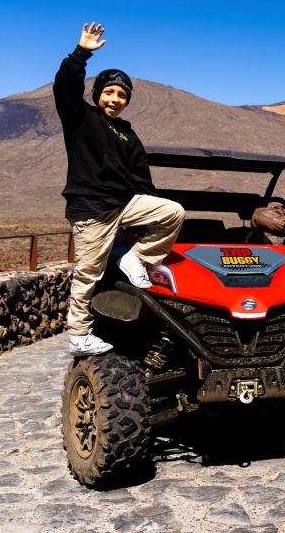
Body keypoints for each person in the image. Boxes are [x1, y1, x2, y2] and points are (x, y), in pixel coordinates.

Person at [54, 22, 185, 356]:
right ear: (98, 94)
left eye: (122, 94)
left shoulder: (128, 133)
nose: (115, 99)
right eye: (109, 92)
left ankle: (135, 257)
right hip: (92, 209)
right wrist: (82, 52)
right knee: (89, 272)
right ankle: (79, 334)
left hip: (124, 204)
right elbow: (65, 86)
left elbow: (142, 179)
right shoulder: (81, 118)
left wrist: (148, 209)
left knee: (172, 212)